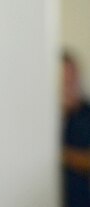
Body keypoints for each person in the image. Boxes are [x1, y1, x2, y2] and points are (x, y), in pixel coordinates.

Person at [62, 51, 90, 207]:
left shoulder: (87, 115)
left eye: (72, 77)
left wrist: (63, 155)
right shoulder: (50, 118)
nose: (69, 82)